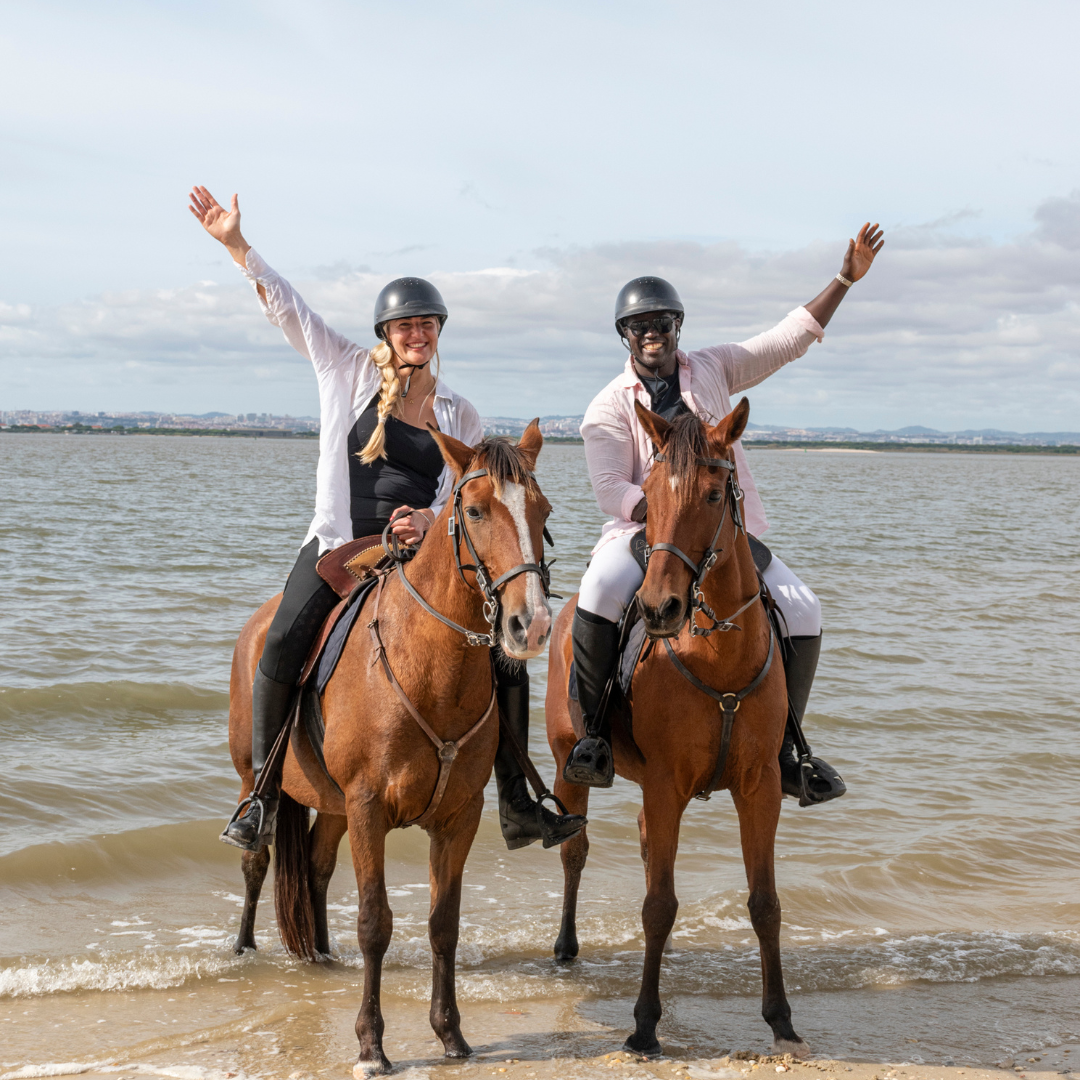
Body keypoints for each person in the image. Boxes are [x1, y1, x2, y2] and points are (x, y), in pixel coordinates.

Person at [188, 186, 583, 852]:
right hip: (340, 541)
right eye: (406, 326)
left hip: (418, 551)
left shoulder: (459, 412)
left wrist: (428, 522)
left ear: (438, 333)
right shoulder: (343, 369)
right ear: (386, 334)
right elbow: (289, 307)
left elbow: (469, 496)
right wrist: (235, 245)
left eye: (427, 324)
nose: (417, 333)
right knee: (282, 638)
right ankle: (259, 792)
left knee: (506, 656)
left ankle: (518, 798)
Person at [564, 223, 885, 798]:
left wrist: (843, 280)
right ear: (625, 336)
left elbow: (785, 340)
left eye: (663, 323)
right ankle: (593, 738)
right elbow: (610, 488)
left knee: (804, 608)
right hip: (647, 532)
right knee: (598, 594)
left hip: (723, 530)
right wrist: (666, 511)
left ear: (677, 327)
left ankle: (788, 751)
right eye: (640, 327)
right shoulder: (607, 407)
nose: (653, 333)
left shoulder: (712, 368)